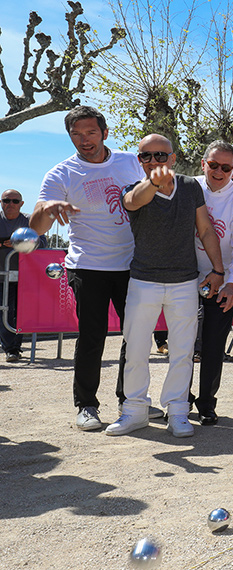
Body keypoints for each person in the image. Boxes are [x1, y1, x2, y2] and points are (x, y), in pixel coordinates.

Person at [30, 106, 152, 431]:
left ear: (105, 132)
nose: (84, 140)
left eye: (91, 132)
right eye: (77, 134)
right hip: (88, 265)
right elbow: (37, 227)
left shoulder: (131, 162)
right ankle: (86, 405)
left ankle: (131, 400)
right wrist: (48, 208)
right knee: (91, 336)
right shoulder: (60, 174)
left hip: (133, 265)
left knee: (137, 336)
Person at [106, 134, 225, 437]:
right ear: (139, 161)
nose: (154, 161)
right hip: (143, 280)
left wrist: (218, 269)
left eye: (161, 155)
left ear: (173, 158)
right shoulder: (134, 189)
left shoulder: (190, 187)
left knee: (183, 351)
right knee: (135, 348)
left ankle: (178, 410)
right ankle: (134, 410)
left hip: (184, 282)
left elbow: (206, 230)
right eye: (147, 156)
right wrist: (155, 182)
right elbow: (134, 201)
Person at [190, 141, 233, 425]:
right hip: (187, 276)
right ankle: (180, 399)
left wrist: (232, 284)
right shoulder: (189, 188)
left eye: (225, 167)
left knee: (214, 344)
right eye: (213, 165)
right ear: (203, 164)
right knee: (183, 344)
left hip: (223, 278)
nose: (218, 171)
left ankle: (206, 403)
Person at [1, 189, 47, 362]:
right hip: (1, 275)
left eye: (14, 201)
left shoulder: (29, 221)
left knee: (17, 314)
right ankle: (9, 347)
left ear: (21, 204)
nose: (10, 204)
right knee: (3, 312)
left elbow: (43, 242)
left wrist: (22, 244)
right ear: (1, 202)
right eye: (6, 200)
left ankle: (14, 348)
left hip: (23, 276)